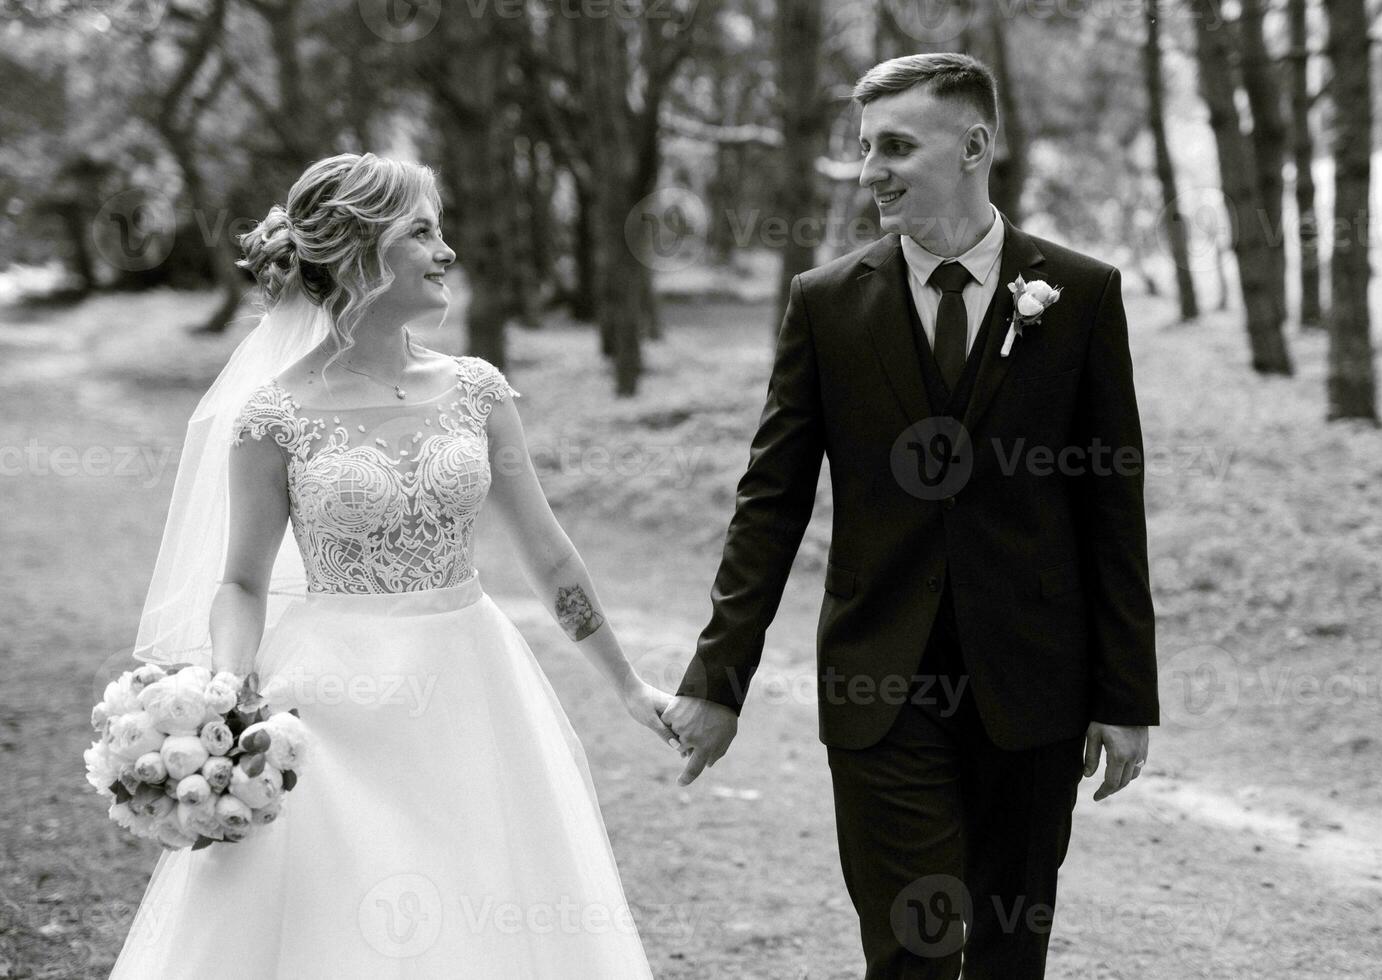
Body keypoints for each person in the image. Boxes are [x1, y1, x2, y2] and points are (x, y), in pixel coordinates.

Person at [109, 152, 671, 978]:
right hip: (327, 700)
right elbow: (239, 581)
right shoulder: (273, 414)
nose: (447, 252)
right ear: (353, 249)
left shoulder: (476, 391)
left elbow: (549, 554)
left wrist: (628, 684)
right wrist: (230, 693)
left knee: (487, 896)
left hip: (471, 683)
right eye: (422, 232)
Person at [661, 53, 1160, 978]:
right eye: (864, 148)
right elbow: (771, 502)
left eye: (896, 146)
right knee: (913, 952)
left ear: (974, 146)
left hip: (1034, 686)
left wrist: (1126, 695)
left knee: (1011, 952)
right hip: (879, 687)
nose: (870, 171)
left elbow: (1110, 505)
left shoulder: (1081, 296)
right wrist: (717, 677)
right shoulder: (825, 305)